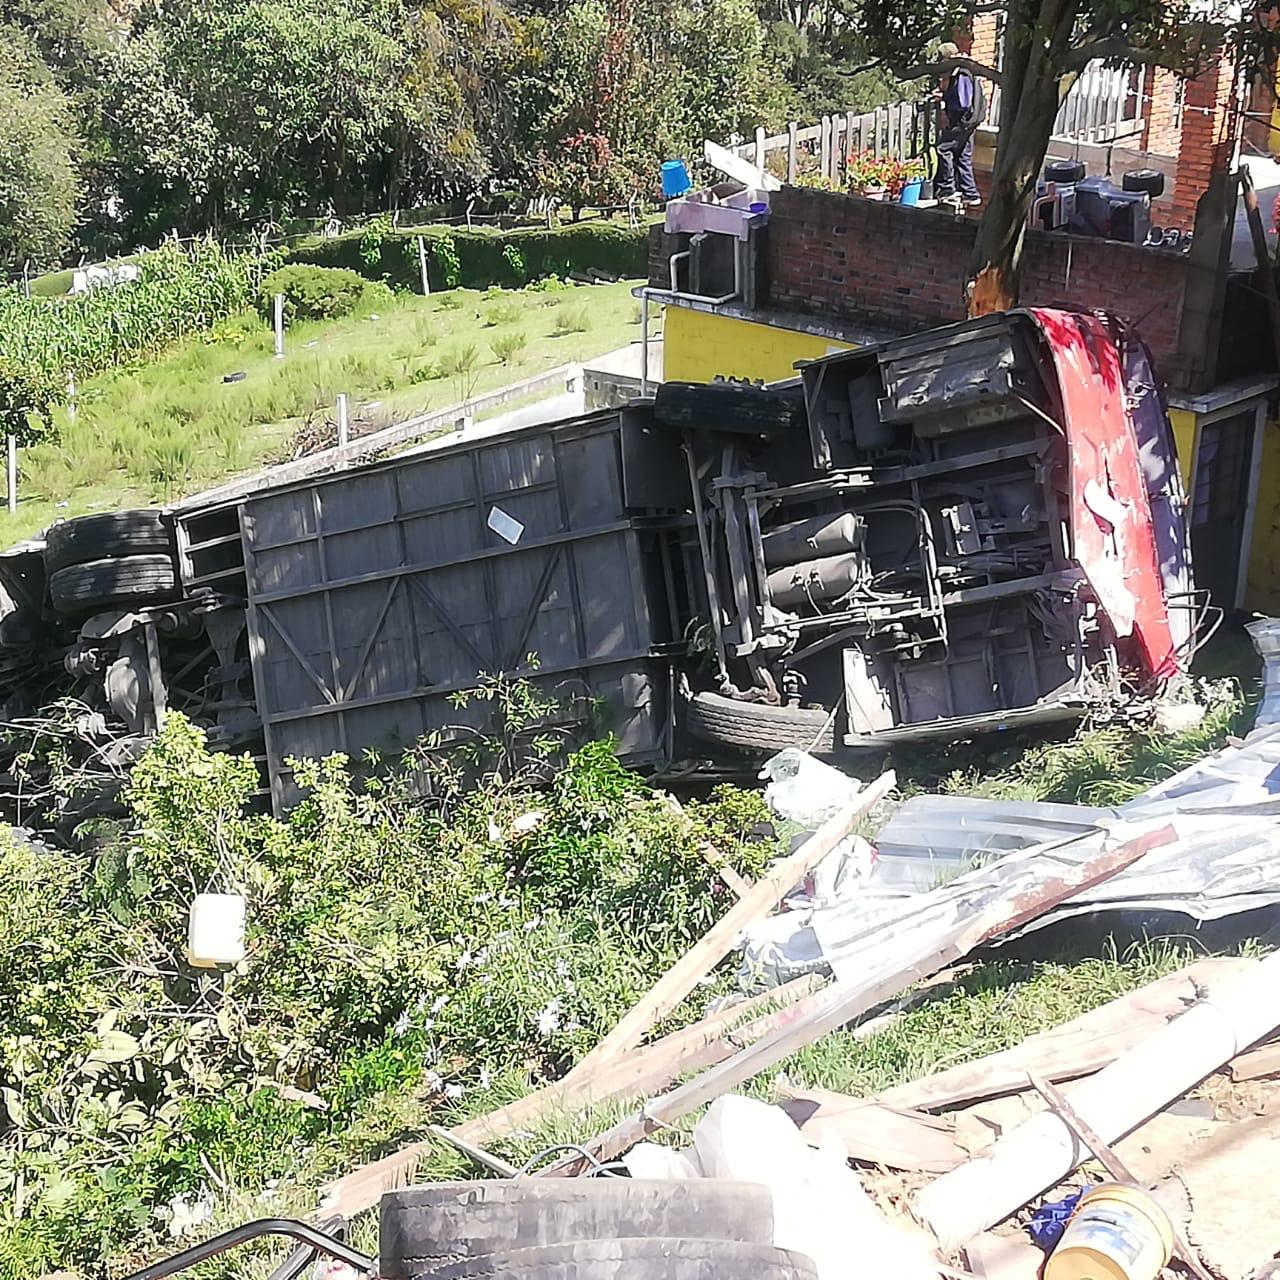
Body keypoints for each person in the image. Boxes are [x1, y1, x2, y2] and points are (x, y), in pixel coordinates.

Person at [933, 42, 984, 208]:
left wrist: (945, 98)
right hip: (970, 122)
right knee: (963, 156)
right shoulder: (967, 68)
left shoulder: (961, 73)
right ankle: (970, 194)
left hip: (961, 121)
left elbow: (962, 102)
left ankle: (948, 190)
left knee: (944, 149)